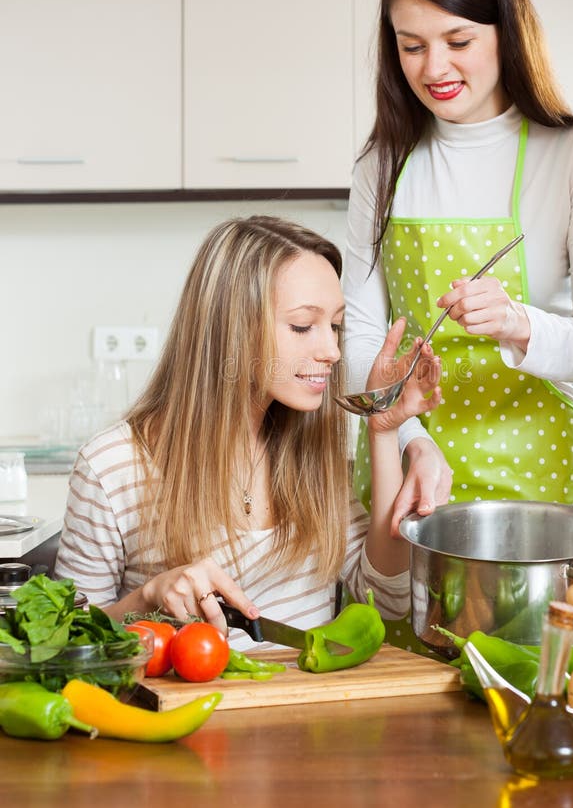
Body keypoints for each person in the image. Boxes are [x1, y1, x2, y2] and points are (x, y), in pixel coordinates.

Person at [54, 216, 441, 650]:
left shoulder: (308, 452)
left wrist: (384, 429)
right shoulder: (112, 467)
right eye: (301, 326)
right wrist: (147, 597)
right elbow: (65, 643)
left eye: (334, 326)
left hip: (311, 712)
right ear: (230, 329)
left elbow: (387, 598)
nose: (332, 351)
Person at [344, 0, 573, 517]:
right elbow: (363, 341)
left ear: (506, 32)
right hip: (409, 469)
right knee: (393, 615)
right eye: (412, 46)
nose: (435, 67)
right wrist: (411, 439)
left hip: (537, 473)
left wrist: (518, 323)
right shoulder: (382, 163)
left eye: (458, 39)